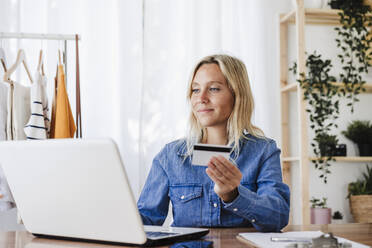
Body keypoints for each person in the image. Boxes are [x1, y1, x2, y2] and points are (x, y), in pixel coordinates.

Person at [137, 54, 290, 232]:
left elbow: (278, 217)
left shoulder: (263, 151)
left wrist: (234, 195)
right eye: (195, 90)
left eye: (214, 89)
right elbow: (145, 220)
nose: (201, 98)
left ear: (237, 94)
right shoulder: (170, 155)